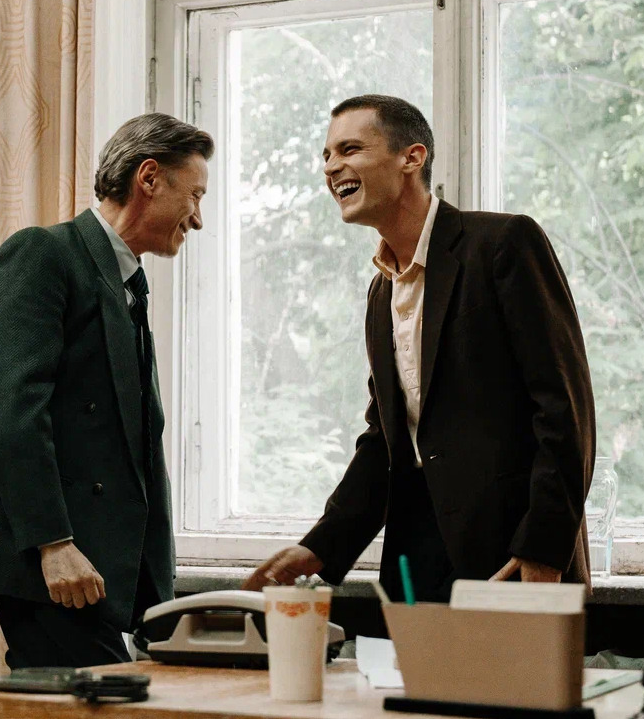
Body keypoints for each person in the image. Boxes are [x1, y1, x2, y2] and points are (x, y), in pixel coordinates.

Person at [244, 95, 595, 603]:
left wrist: (543, 547)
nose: (331, 167)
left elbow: (565, 412)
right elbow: (386, 439)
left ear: (412, 157)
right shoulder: (380, 290)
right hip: (416, 573)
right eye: (326, 155)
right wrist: (319, 546)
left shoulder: (504, 243)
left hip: (516, 560)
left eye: (349, 149)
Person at [0, 113, 213, 668]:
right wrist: (53, 544)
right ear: (149, 178)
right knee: (100, 702)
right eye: (195, 195)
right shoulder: (41, 254)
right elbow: (11, 412)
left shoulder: (128, 280)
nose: (198, 218)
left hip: (100, 564)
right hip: (50, 558)